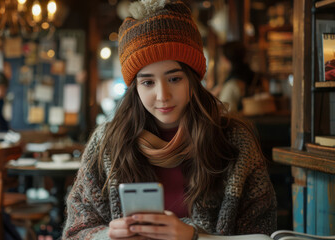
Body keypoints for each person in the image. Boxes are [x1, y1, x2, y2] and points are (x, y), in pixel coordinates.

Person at [63, 0, 277, 239]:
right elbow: (76, 232)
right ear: (135, 87)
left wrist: (195, 237)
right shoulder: (107, 143)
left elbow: (261, 233)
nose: (163, 96)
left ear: (193, 79)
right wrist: (108, 236)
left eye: (174, 79)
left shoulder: (235, 142)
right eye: (148, 82)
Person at [212, 41, 255, 112]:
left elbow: (226, 114)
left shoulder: (231, 86)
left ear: (225, 59)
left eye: (220, 57)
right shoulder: (252, 76)